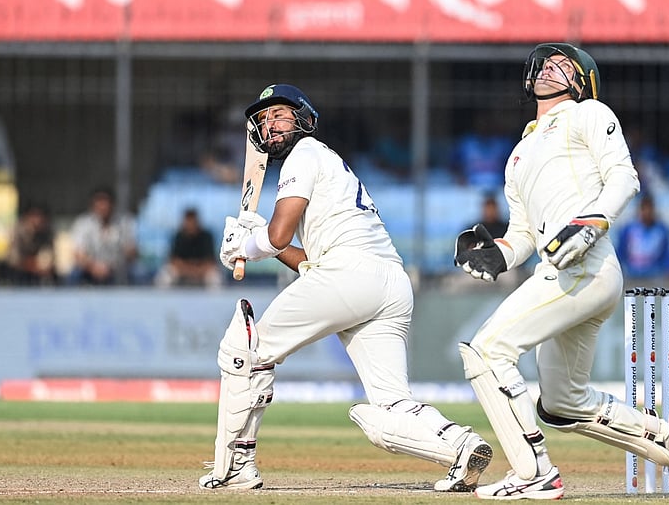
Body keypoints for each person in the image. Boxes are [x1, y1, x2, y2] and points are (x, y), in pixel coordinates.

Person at [201, 84, 493, 492]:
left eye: (280, 114)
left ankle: (236, 466)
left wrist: (245, 246)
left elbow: (279, 236)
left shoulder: (304, 154)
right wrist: (257, 239)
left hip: (349, 274)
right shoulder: (329, 162)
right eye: (264, 119)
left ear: (304, 118)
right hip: (388, 282)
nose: (270, 124)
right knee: (391, 404)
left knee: (245, 351)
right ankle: (461, 445)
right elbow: (305, 260)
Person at [453, 43, 669, 499]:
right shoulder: (519, 153)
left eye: (563, 66)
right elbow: (525, 233)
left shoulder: (588, 113)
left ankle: (534, 473)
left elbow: (624, 178)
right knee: (562, 404)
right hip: (565, 271)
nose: (549, 68)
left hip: (586, 264)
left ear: (581, 82)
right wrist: (498, 254)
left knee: (487, 351)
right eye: (546, 63)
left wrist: (587, 227)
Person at [67, 186, 139, 285]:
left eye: (106, 202)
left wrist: (111, 266)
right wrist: (93, 267)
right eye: (99, 202)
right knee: (74, 275)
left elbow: (132, 252)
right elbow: (78, 254)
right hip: (90, 269)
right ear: (92, 205)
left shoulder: (125, 222)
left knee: (139, 273)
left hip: (117, 269)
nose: (103, 206)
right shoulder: (83, 223)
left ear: (113, 204)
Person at [615, 193, 669, 281]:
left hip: (654, 273)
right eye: (644, 209)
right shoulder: (628, 229)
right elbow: (620, 252)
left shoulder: (662, 230)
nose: (647, 213)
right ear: (639, 210)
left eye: (649, 209)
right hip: (631, 272)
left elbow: (667, 255)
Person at [154, 207, 222, 288]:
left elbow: (210, 262)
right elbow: (174, 261)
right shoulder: (178, 236)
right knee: (166, 275)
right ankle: (163, 300)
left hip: (202, 272)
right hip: (182, 271)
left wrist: (196, 271)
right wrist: (189, 270)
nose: (191, 225)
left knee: (215, 276)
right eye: (188, 221)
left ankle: (214, 300)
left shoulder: (206, 236)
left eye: (193, 221)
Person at [4, 202, 57, 286]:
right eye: (35, 216)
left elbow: (49, 255)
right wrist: (32, 266)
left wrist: (44, 266)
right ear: (28, 217)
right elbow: (14, 259)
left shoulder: (47, 232)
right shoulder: (17, 230)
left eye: (40, 217)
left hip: (39, 272)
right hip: (18, 271)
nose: (38, 220)